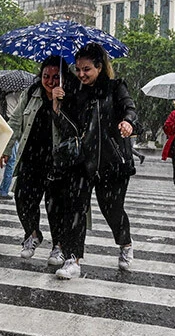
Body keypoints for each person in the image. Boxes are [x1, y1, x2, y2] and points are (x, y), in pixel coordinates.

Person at [51, 43, 141, 280]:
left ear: (100, 67)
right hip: (82, 162)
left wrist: (127, 122)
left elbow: (130, 109)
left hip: (112, 162)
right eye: (78, 69)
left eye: (87, 69)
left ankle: (125, 243)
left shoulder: (115, 88)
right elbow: (65, 127)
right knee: (75, 209)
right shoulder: (74, 92)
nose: (81, 74)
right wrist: (57, 104)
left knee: (112, 210)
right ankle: (73, 259)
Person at [0, 56, 76, 266]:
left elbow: (73, 128)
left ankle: (59, 246)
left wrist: (58, 104)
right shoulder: (31, 93)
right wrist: (5, 150)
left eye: (55, 77)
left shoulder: (71, 95)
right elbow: (14, 122)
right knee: (23, 198)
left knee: (56, 206)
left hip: (57, 162)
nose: (50, 81)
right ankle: (32, 234)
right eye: (46, 76)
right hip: (31, 157)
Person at [0, 88, 22, 201]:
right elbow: (17, 117)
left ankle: (3, 189)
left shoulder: (4, 96)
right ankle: (4, 191)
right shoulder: (19, 96)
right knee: (11, 161)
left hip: (2, 126)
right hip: (12, 130)